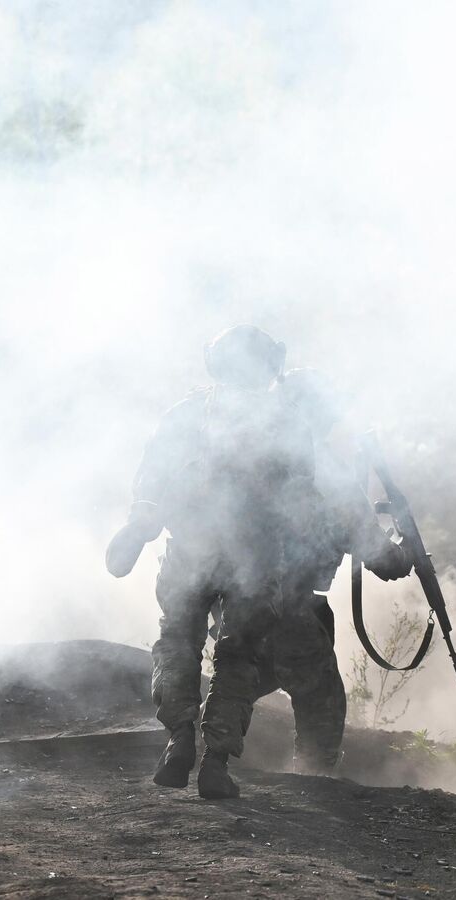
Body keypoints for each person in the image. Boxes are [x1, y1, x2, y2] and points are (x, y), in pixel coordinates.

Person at [105, 324, 294, 791]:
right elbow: (304, 500)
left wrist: (142, 522)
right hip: (254, 556)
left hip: (191, 546)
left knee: (177, 643)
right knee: (239, 656)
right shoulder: (284, 423)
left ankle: (178, 738)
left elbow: (152, 476)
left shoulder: (187, 413)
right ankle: (216, 764)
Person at [251, 369, 414, 776]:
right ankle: (313, 779)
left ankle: (206, 755)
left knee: (244, 674)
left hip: (238, 595)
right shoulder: (323, 471)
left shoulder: (243, 455)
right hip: (289, 600)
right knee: (320, 693)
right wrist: (402, 553)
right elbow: (376, 553)